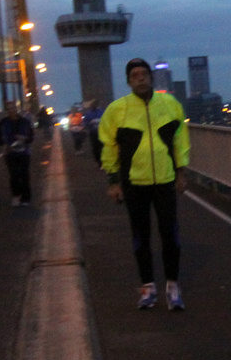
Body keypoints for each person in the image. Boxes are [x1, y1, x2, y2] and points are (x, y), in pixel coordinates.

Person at [100, 57, 191, 310]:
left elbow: (181, 141)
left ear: (151, 77)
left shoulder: (170, 105)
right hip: (134, 182)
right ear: (128, 81)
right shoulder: (117, 110)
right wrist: (113, 181)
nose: (140, 78)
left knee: (170, 235)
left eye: (144, 74)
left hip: (165, 180)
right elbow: (109, 147)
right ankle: (147, 287)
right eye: (135, 75)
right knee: (141, 236)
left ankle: (172, 286)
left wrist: (181, 172)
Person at [0, 103, 36, 207]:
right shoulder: (3, 122)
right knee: (13, 175)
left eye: (13, 108)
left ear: (16, 109)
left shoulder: (25, 121)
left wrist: (25, 139)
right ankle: (16, 195)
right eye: (9, 109)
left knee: (24, 175)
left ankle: (26, 198)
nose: (11, 111)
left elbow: (31, 136)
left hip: (24, 152)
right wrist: (2, 144)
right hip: (10, 152)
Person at [82, 98, 105, 167]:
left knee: (102, 146)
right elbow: (85, 122)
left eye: (95, 104)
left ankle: (103, 160)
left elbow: (106, 120)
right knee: (95, 147)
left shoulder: (101, 112)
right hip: (93, 133)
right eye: (93, 104)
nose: (94, 105)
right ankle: (98, 160)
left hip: (101, 132)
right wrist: (89, 124)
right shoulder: (88, 113)